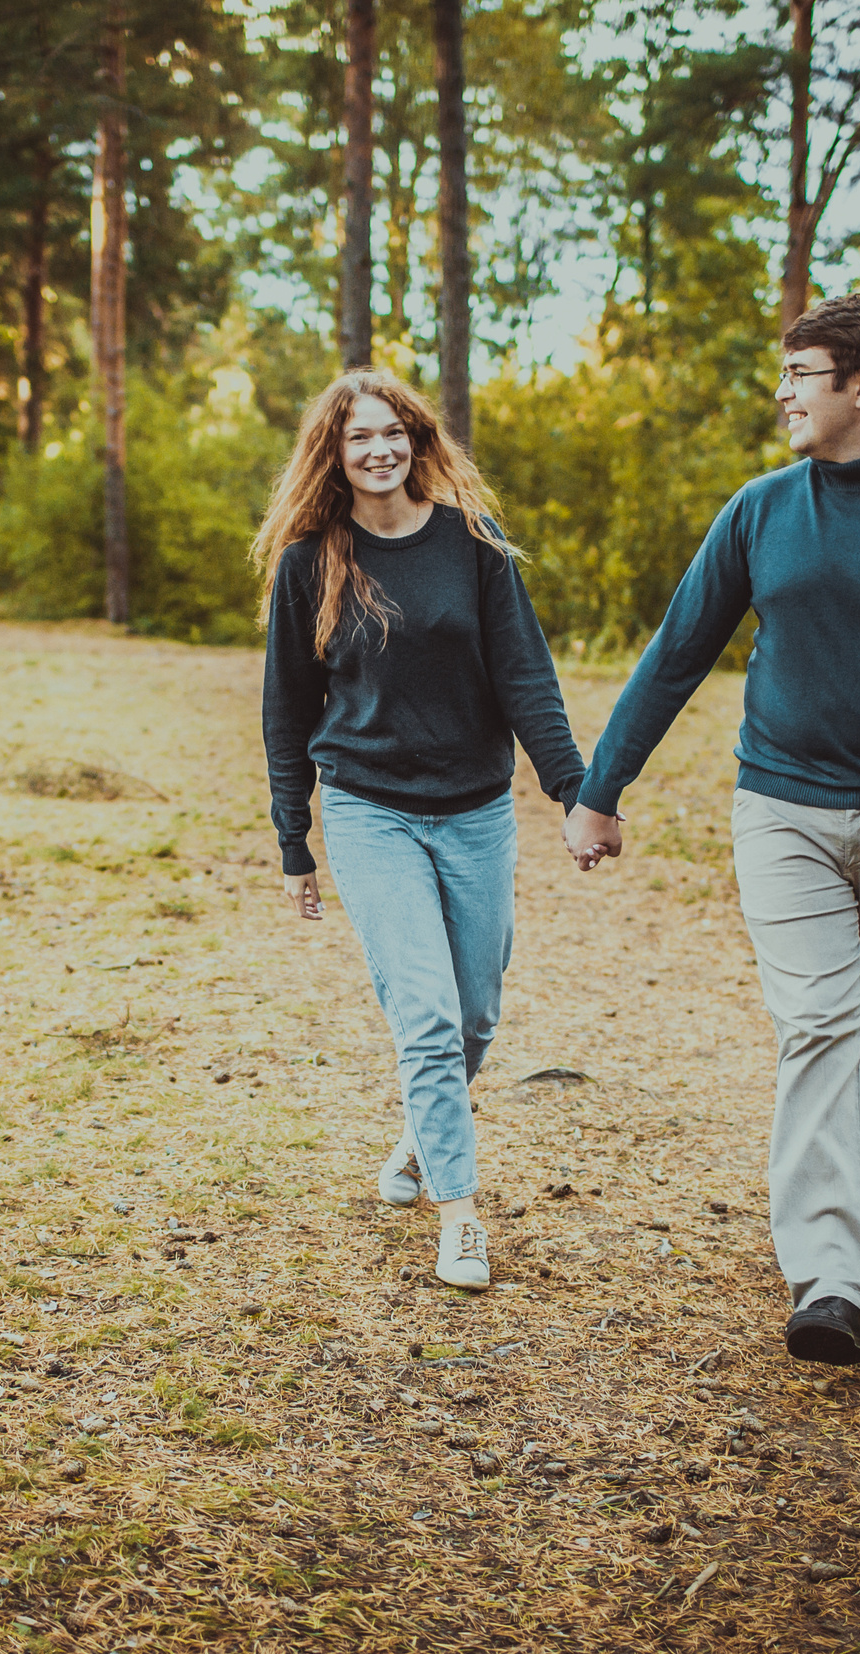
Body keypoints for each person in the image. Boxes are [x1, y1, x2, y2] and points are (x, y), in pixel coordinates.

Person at [563, 295, 860, 1365]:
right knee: (819, 1023)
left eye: (800, 372)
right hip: (782, 812)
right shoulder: (761, 511)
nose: (782, 392)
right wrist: (601, 788)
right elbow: (677, 653)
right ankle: (829, 1276)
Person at [259, 369, 588, 1293]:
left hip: (476, 810)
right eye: (359, 436)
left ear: (417, 440)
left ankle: (416, 1135)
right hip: (370, 811)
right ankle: (461, 1217)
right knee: (430, 1019)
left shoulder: (473, 548)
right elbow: (286, 712)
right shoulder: (310, 563)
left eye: (393, 431)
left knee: (476, 1011)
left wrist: (573, 789)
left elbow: (528, 678)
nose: (379, 449)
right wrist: (297, 841)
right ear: (334, 452)